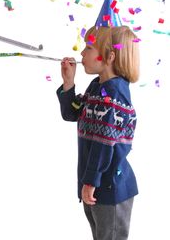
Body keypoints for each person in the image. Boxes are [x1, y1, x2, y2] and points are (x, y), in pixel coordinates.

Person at [57, 25, 140, 240]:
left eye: (89, 48)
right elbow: (72, 113)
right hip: (94, 184)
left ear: (110, 56)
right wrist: (68, 84)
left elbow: (104, 144)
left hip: (108, 187)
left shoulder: (113, 96)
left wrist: (91, 181)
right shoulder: (98, 87)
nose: (82, 53)